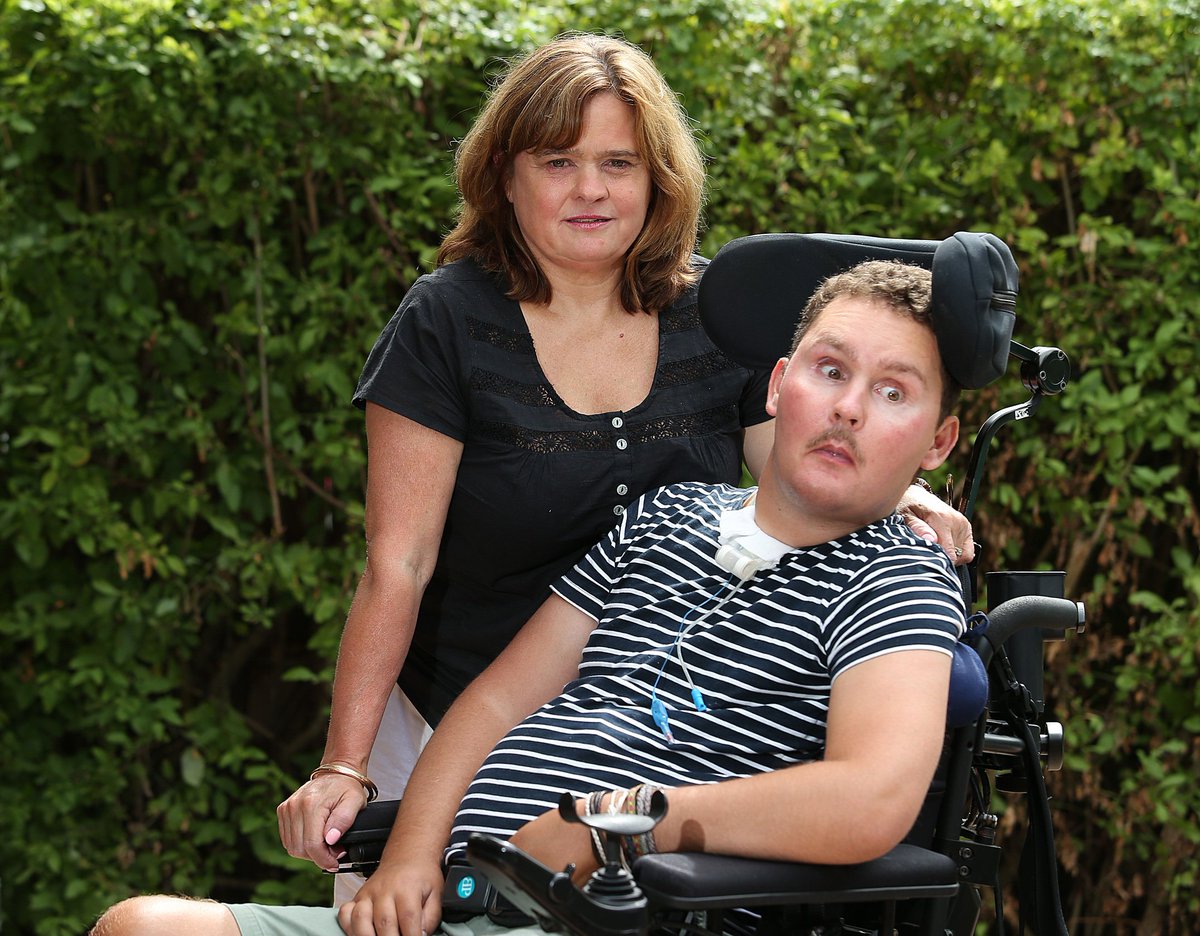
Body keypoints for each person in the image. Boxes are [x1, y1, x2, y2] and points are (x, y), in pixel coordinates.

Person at [274, 30, 972, 903]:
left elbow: (796, 471)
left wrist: (901, 488)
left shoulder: (713, 315)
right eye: (558, 161)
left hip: (657, 733)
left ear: (658, 179)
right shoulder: (447, 320)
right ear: (505, 176)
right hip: (455, 714)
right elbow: (398, 564)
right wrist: (346, 762)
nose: (591, 190)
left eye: (618, 163)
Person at [92, 258, 968, 936]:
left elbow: (870, 799)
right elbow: (497, 700)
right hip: (473, 900)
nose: (849, 408)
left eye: (893, 392)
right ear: (777, 386)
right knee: (142, 927)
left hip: (630, 915)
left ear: (938, 442)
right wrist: (409, 857)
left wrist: (615, 824)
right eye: (829, 370)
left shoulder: (895, 577)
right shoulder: (666, 516)